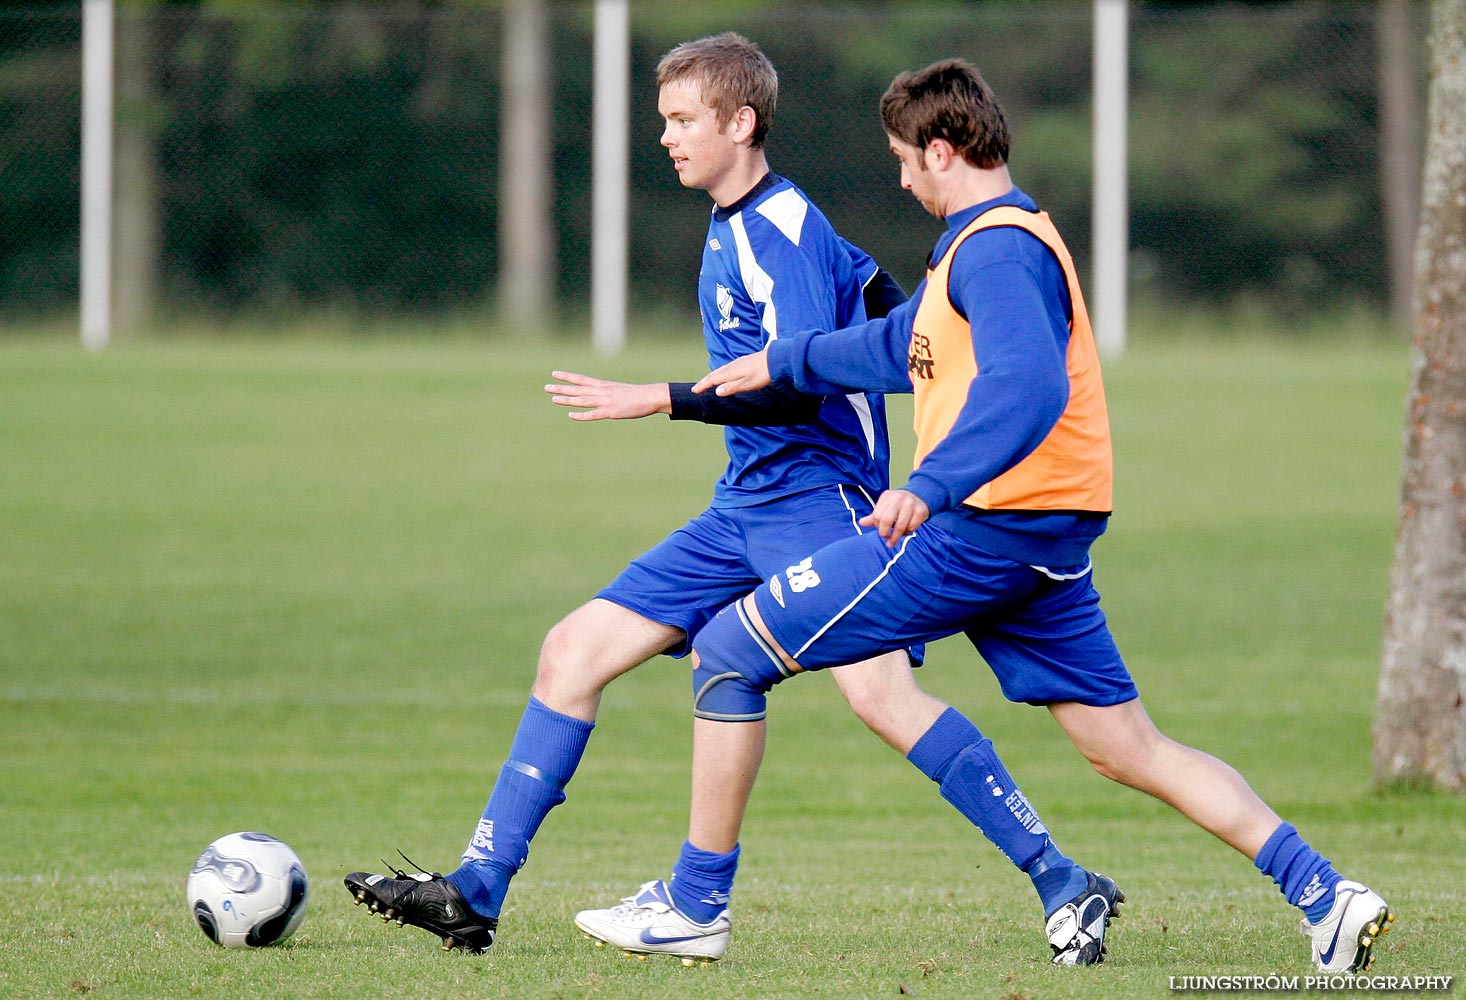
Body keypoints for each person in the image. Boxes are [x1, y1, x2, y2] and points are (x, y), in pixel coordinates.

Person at [575, 58, 1394, 975]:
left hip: (977, 536)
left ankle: (694, 904)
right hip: (1045, 544)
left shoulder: (999, 250)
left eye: (902, 160)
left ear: (940, 148)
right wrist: (789, 359)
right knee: (1126, 747)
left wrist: (929, 486)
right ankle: (1325, 892)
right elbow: (902, 342)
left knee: (729, 650)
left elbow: (1028, 385)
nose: (898, 179)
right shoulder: (991, 238)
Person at [343, 35, 1115, 966]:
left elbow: (792, 383)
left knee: (880, 694)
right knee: (573, 653)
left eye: (681, 121)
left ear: (740, 123)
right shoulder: (746, 221)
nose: (664, 138)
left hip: (814, 496)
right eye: (662, 120)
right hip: (742, 504)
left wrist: (660, 396)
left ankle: (1060, 879)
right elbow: (890, 307)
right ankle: (475, 892)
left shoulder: (781, 225)